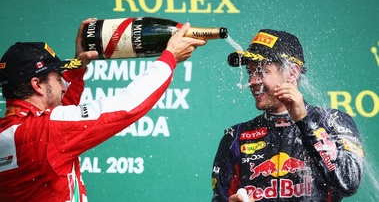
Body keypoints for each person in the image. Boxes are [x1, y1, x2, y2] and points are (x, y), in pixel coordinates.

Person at [0, 18, 206, 202]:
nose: (63, 86)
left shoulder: (14, 132)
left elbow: (56, 120)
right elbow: (128, 105)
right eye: (57, 78)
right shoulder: (45, 132)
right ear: (37, 85)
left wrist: (77, 69)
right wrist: (169, 58)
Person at [211, 29, 364, 202]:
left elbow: (348, 182)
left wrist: (304, 121)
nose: (252, 81)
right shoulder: (236, 136)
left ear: (292, 73)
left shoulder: (331, 122)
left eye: (261, 71)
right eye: (250, 72)